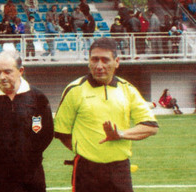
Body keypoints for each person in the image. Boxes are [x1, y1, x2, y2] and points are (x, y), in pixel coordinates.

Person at [54, 38, 159, 192]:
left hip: (119, 169)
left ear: (117, 62)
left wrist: (120, 134)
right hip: (86, 169)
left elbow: (151, 126)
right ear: (88, 61)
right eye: (94, 60)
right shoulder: (74, 90)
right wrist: (87, 151)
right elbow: (62, 132)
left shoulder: (127, 90)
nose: (99, 66)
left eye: (105, 60)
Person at [0, 51, 54, 192]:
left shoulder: (37, 97)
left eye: (7, 72)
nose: (2, 77)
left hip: (30, 178)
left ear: (20, 71)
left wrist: (28, 157)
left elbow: (46, 134)